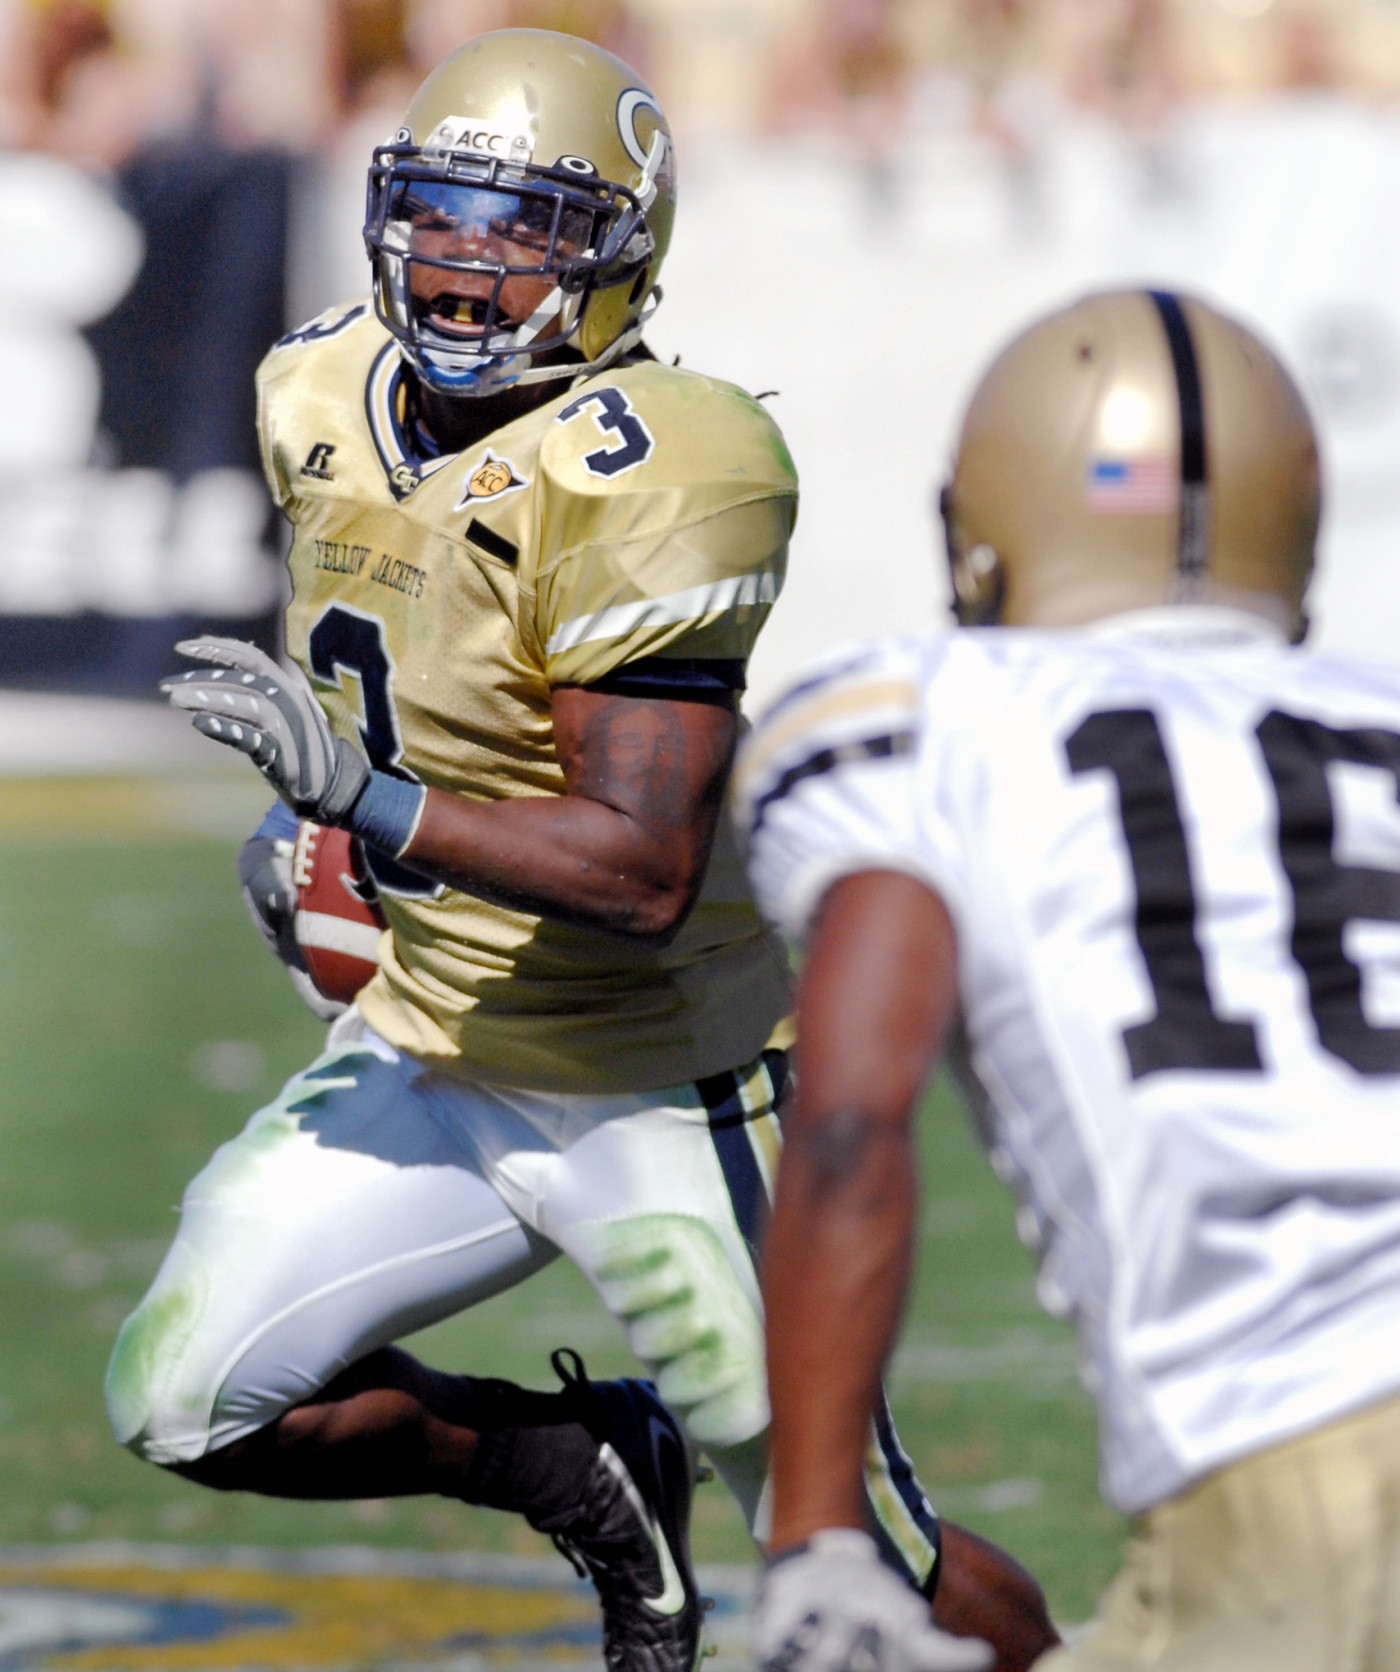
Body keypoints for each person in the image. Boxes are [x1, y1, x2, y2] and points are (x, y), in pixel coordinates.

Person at [104, 29, 1053, 1672]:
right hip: (433, 1033)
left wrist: (367, 806)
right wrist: (326, 838)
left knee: (857, 1552)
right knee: (181, 1400)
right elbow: (414, 673)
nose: (467, 266)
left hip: (661, 1075)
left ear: (620, 252)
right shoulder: (315, 385)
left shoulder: (665, 462)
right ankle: (582, 1465)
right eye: (441, 215)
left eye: (524, 225)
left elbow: (640, 868)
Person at [739, 287, 1400, 1672]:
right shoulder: (1375, 719)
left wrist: (814, 1538)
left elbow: (855, 1114)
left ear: (989, 524)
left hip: (1307, 1471)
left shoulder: (933, 724)